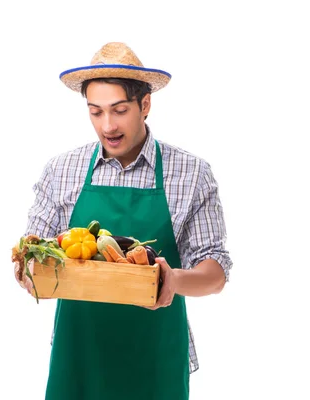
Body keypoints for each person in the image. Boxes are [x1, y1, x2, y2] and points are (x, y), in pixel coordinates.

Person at [13, 42, 233, 400]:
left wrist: (173, 279)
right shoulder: (61, 170)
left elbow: (216, 273)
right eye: (96, 112)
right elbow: (33, 247)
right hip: (78, 356)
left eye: (119, 110)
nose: (108, 125)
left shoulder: (191, 173)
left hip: (156, 359)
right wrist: (28, 270)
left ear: (145, 104)